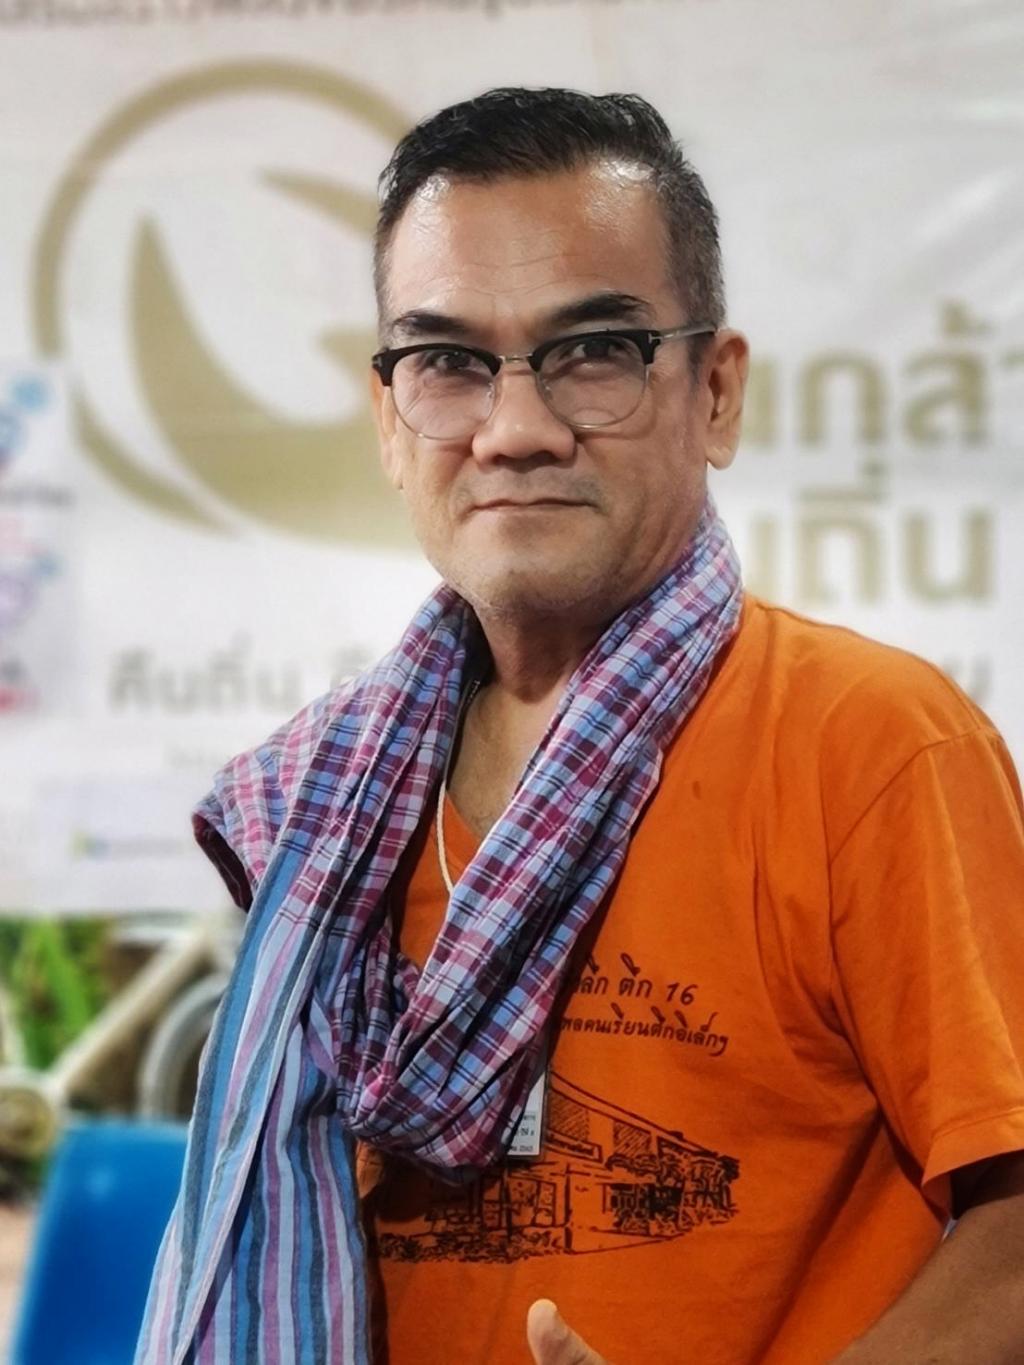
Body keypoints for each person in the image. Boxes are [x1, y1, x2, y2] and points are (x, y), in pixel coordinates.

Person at [136, 89, 1024, 1365]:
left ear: (715, 392)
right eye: (447, 362)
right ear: (388, 420)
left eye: (592, 351)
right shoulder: (328, 802)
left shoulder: (870, 745)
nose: (514, 431)